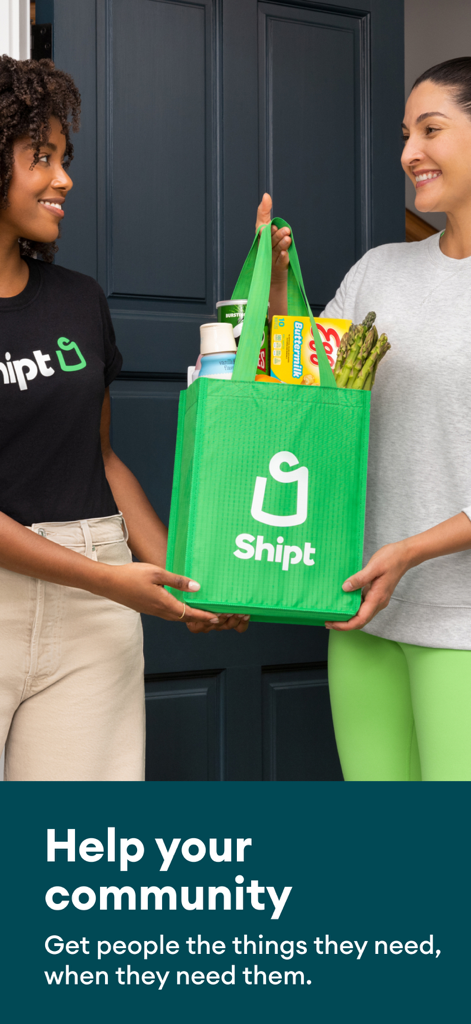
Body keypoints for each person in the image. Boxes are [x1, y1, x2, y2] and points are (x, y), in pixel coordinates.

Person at [0, 55, 248, 783]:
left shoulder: (79, 299)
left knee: (75, 855)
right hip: (65, 580)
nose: (63, 179)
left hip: (96, 598)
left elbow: (102, 459)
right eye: (39, 158)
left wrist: (175, 577)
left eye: (64, 158)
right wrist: (111, 581)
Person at [258, 56, 471, 782]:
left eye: (430, 129)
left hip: (461, 624)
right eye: (405, 133)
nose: (409, 151)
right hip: (361, 610)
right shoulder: (380, 269)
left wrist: (409, 551)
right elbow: (312, 386)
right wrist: (277, 285)